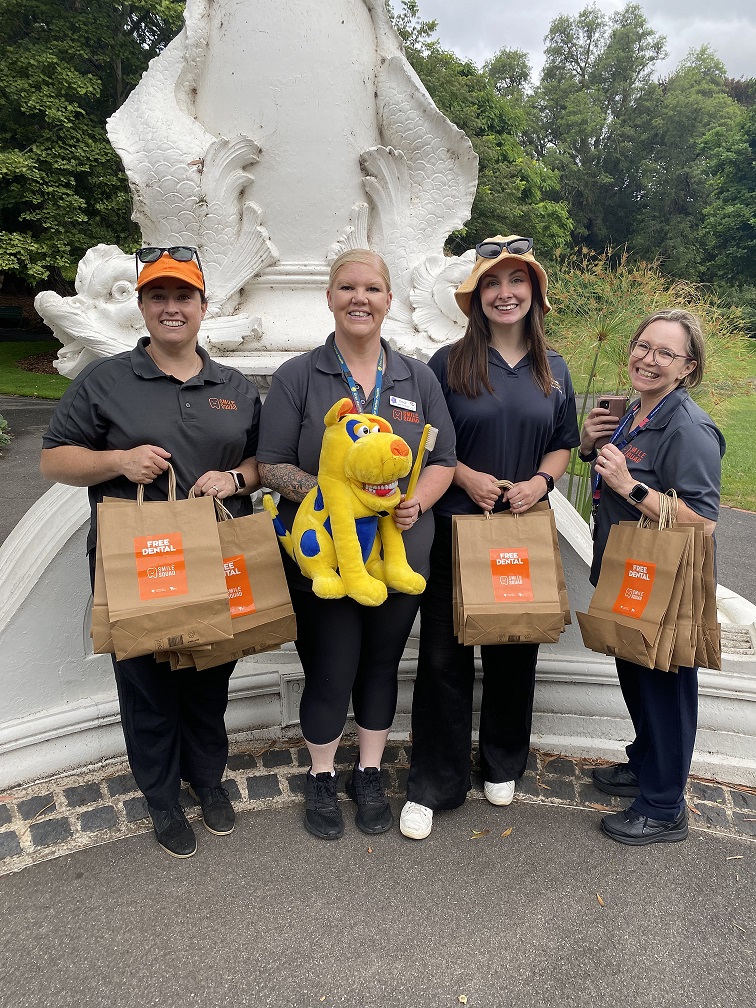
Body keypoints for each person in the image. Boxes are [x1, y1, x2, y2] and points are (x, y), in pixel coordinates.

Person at [41, 248, 261, 858]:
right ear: (141, 307)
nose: (171, 308)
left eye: (183, 296)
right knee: (147, 684)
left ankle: (207, 780)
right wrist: (118, 460)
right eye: (158, 296)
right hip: (138, 558)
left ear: (203, 306)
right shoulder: (106, 380)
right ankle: (162, 798)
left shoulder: (234, 386)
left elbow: (261, 462)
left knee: (210, 676)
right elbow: (54, 458)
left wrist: (235, 479)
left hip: (215, 554)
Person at [257, 249, 456, 840]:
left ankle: (368, 772)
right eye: (347, 287)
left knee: (381, 666)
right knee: (331, 668)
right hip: (327, 558)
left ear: (389, 300)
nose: (359, 299)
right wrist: (338, 497)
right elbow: (271, 464)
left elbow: (443, 460)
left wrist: (417, 499)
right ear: (329, 297)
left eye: (371, 288)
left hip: (400, 554)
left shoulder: (417, 377)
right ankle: (321, 775)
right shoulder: (300, 375)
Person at [400, 235, 580, 840]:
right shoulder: (446, 364)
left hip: (520, 532)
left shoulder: (554, 370)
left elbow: (563, 444)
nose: (505, 293)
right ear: (476, 297)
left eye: (516, 281)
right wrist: (467, 477)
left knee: (515, 648)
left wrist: (539, 483)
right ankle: (435, 782)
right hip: (455, 529)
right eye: (492, 284)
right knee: (443, 658)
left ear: (535, 292)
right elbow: (425, 443)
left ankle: (503, 761)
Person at [580, 308, 724, 845]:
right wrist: (591, 446)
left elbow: (703, 522)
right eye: (644, 345)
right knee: (635, 672)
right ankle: (645, 762)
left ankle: (664, 806)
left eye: (666, 353)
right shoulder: (636, 412)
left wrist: (629, 487)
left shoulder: (688, 428)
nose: (649, 358)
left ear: (688, 368)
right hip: (629, 571)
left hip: (664, 583)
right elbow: (611, 470)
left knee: (664, 686)